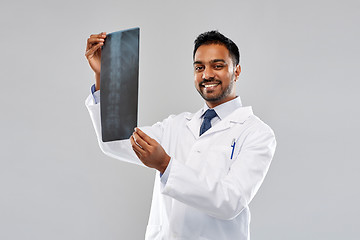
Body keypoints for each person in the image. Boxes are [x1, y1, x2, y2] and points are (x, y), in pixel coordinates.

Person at [85, 30, 276, 240]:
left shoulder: (256, 133)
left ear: (237, 71)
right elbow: (117, 141)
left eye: (218, 65)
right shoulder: (176, 126)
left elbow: (230, 201)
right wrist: (104, 76)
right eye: (199, 67)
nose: (207, 75)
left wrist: (166, 165)